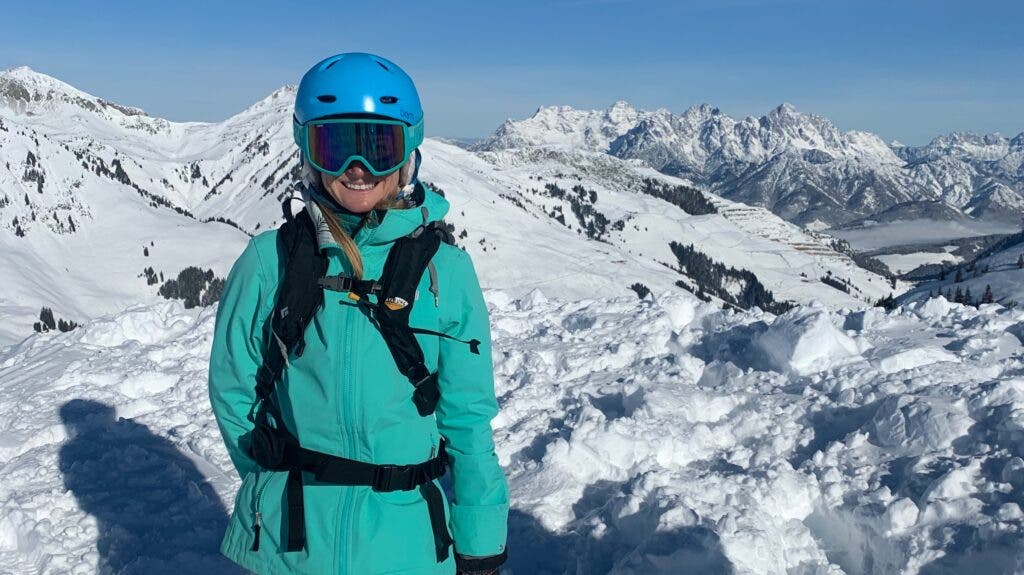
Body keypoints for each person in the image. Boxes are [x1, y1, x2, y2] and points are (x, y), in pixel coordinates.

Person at [208, 52, 509, 575]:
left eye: (377, 146)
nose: (357, 168)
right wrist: (272, 489)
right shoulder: (268, 263)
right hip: (292, 548)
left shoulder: (446, 273)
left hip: (408, 547)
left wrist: (480, 546)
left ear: (408, 151)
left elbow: (468, 420)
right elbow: (234, 390)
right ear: (307, 151)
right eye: (336, 145)